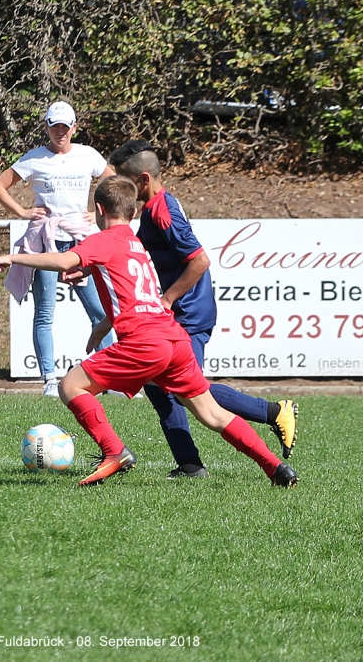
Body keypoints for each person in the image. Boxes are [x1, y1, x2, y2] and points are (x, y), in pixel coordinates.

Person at [0, 176, 299, 488]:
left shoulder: (103, 240)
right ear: (134, 212)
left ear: (99, 209)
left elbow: (62, 260)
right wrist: (101, 311)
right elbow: (132, 292)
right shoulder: (137, 245)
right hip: (174, 338)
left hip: (144, 342)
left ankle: (114, 451)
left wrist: (12, 257)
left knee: (70, 386)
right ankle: (276, 468)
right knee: (213, 414)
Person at [106, 140, 298, 479]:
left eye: (124, 179)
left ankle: (272, 411)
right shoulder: (155, 207)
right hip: (182, 312)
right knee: (159, 387)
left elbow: (199, 261)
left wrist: (167, 300)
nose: (121, 187)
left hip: (187, 313)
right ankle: (190, 465)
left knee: (189, 390)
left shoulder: (162, 212)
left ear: (143, 179)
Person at [0, 101, 114, 397]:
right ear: (46, 127)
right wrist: (22, 211)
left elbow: (114, 182)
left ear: (74, 128)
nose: (60, 132)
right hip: (46, 240)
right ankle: (49, 379)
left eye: (65, 127)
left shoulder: (88, 155)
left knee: (99, 311)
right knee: (45, 312)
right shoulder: (34, 158)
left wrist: (98, 211)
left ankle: (109, 378)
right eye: (55, 126)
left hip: (80, 240)